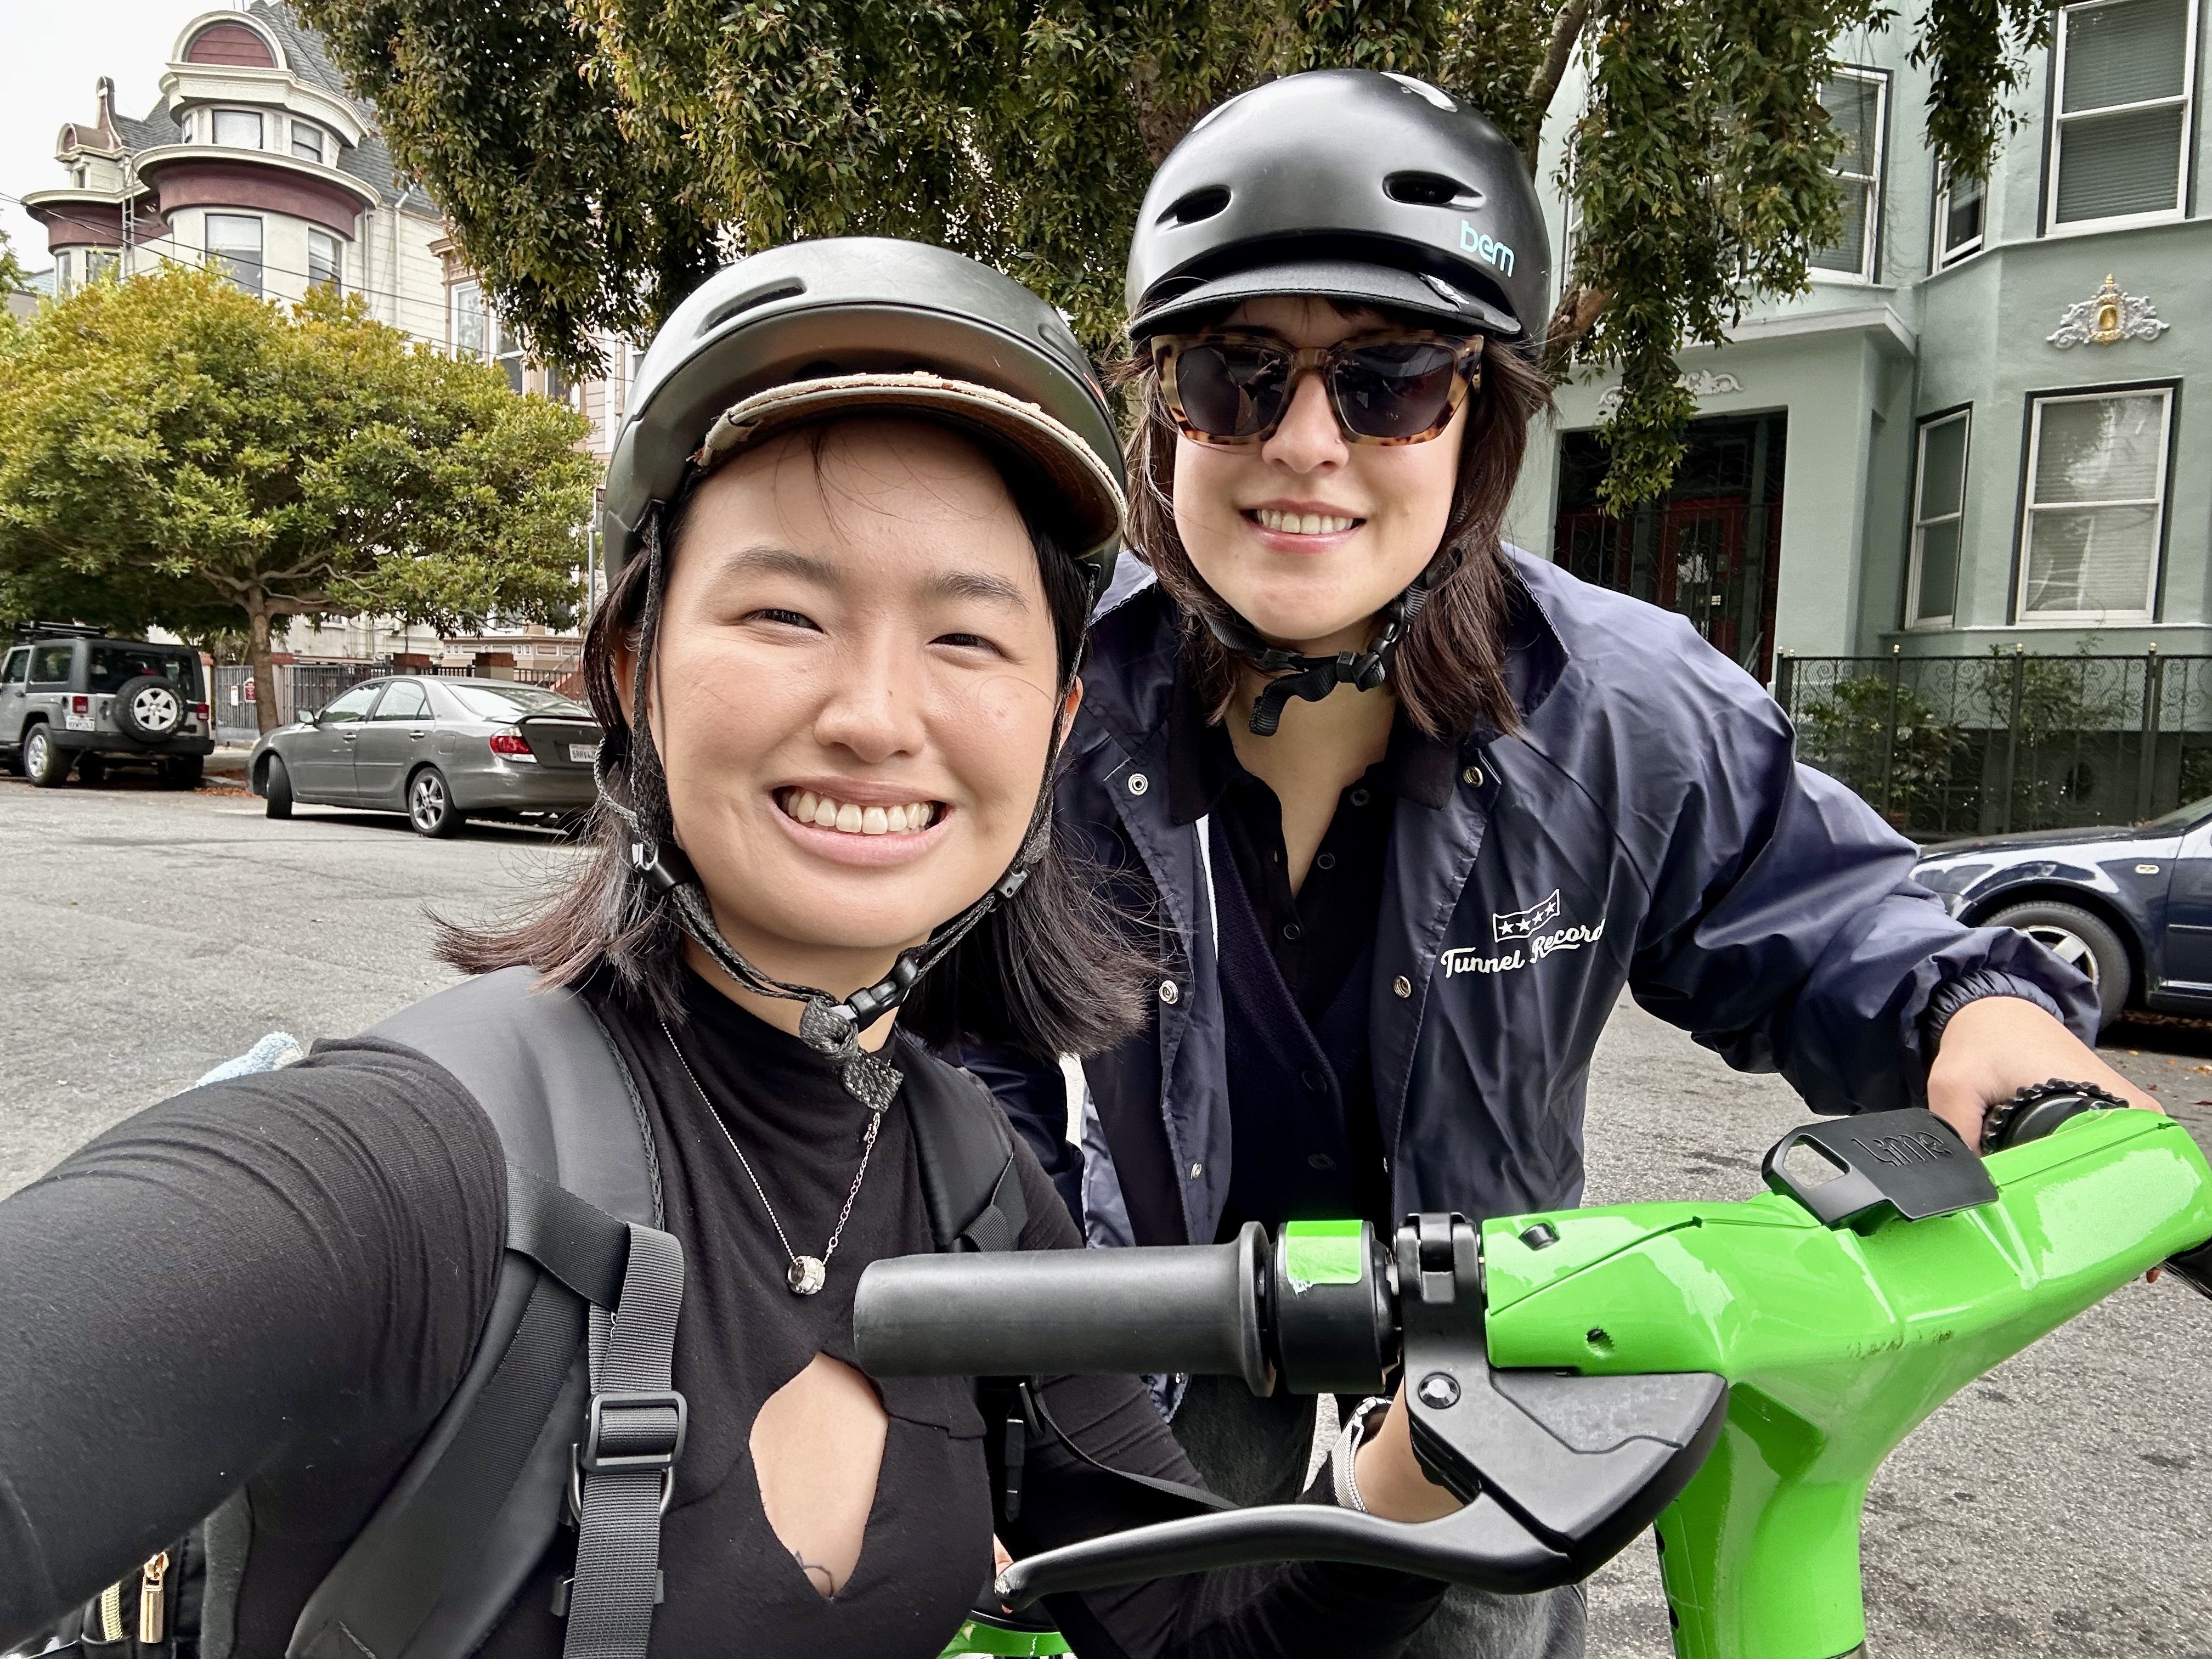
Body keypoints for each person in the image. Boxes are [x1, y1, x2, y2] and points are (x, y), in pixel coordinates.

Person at [0, 239, 1463, 1659]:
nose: (878, 715)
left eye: (967, 640)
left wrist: (1439, 1452)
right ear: (632, 669)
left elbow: (1195, 1634)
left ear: (1058, 724)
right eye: (784, 612)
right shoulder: (415, 1169)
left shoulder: (970, 1183)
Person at [963, 69, 2159, 1659]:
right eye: (1235, 376)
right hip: (1156, 1323)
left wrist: (1994, 1036)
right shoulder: (1039, 689)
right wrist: (1006, 1368)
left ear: (1484, 419)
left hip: (1504, 1348)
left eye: (1389, 380)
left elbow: (1834, 923)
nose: (1307, 444)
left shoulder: (1625, 707)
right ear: (1159, 411)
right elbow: (953, 1027)